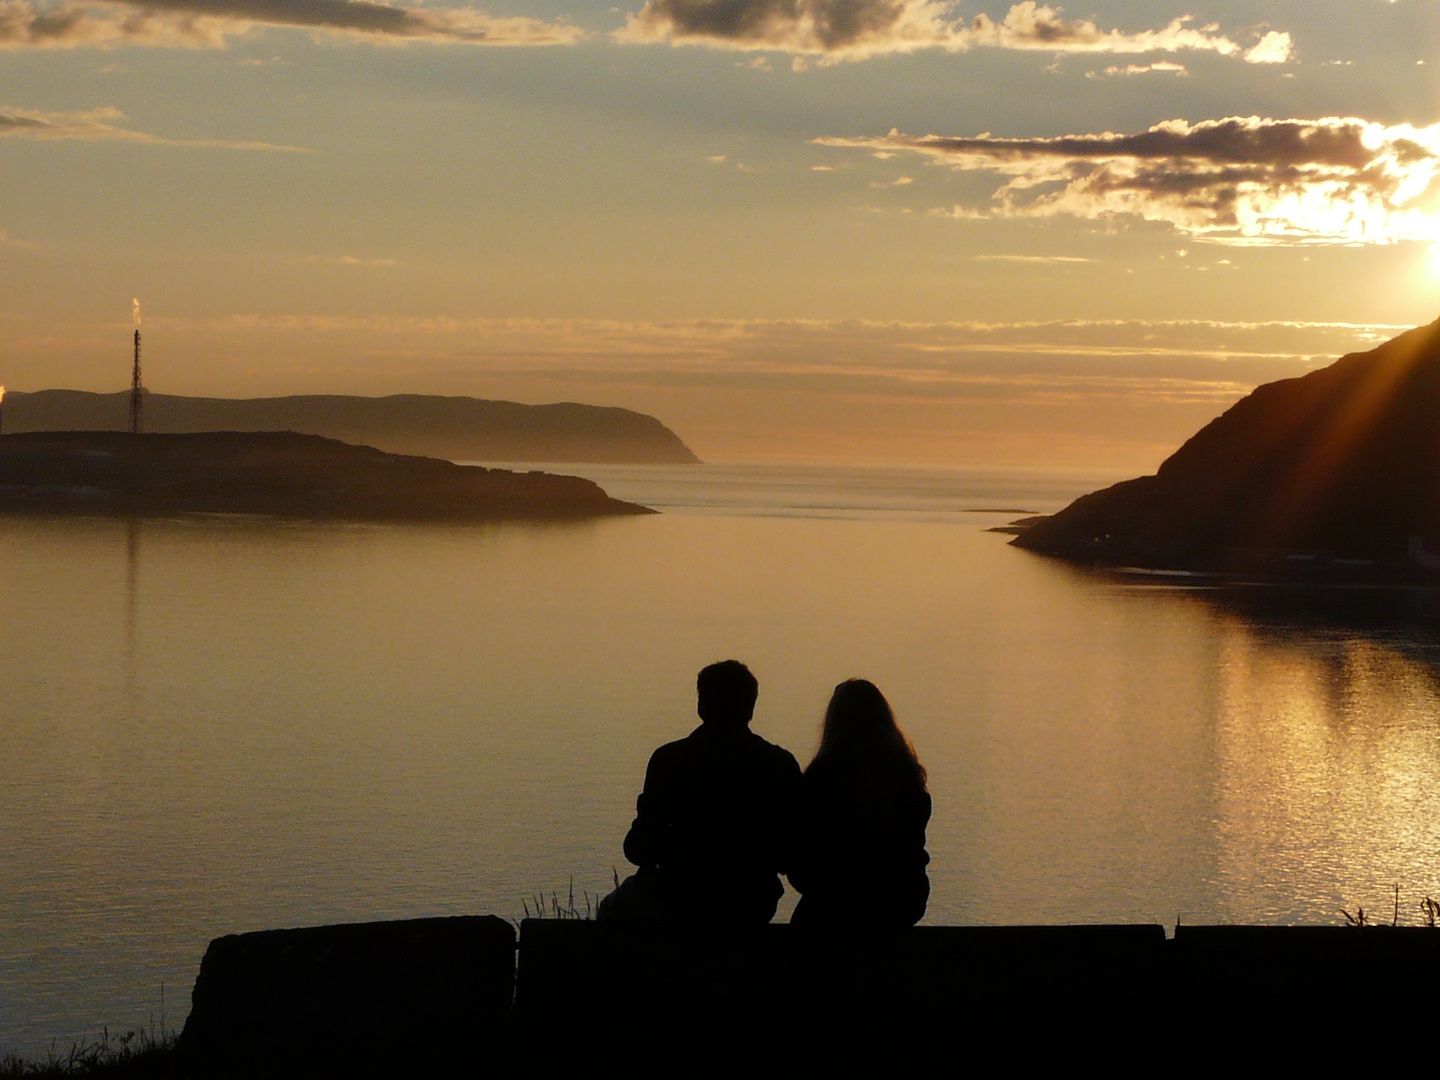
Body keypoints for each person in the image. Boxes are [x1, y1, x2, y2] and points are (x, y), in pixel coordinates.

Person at [598, 660, 802, 930]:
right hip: (752, 906)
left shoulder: (669, 761)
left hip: (680, 902)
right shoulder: (780, 764)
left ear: (701, 705)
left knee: (613, 909)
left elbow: (639, 850)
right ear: (751, 707)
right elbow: (791, 856)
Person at [789, 679, 931, 929]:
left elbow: (803, 859)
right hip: (899, 900)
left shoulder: (824, 774)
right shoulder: (906, 774)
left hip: (836, 901)